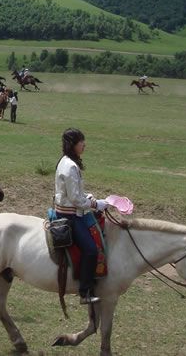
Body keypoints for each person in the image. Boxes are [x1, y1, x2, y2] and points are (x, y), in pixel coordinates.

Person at [54, 128, 109, 305]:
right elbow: (75, 199)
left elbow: (77, 193)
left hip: (69, 209)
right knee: (91, 250)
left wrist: (89, 196)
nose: (84, 144)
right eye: (81, 142)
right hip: (70, 216)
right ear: (73, 145)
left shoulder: (65, 161)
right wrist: (95, 204)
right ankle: (84, 292)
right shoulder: (70, 167)